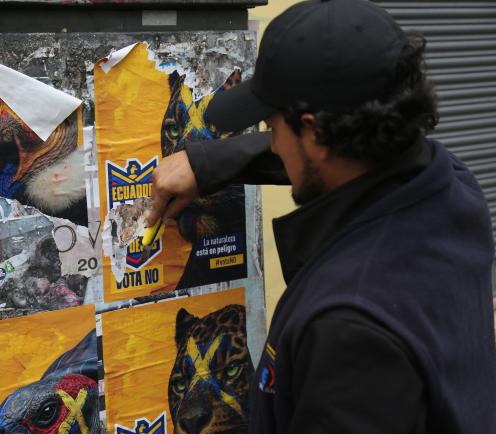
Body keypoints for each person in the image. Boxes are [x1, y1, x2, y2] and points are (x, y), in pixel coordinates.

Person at [147, 0, 496, 433]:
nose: (272, 144)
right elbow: (343, 151)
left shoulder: (347, 331)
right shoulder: (452, 191)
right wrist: (207, 163)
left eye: (272, 127)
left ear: (315, 134)